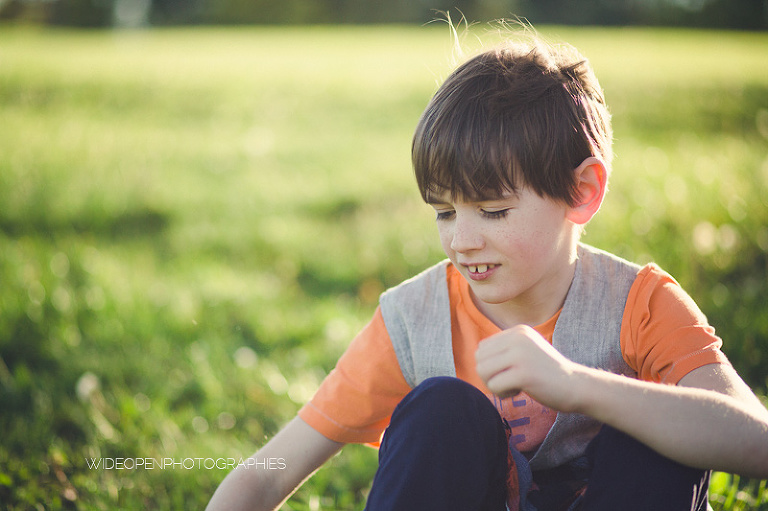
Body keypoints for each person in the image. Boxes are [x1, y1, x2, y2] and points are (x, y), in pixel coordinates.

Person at [207, 33, 768, 511]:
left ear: (582, 191)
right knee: (440, 409)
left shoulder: (639, 304)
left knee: (656, 427)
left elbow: (756, 442)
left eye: (493, 211)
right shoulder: (414, 318)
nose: (461, 240)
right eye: (444, 212)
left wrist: (579, 388)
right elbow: (272, 470)